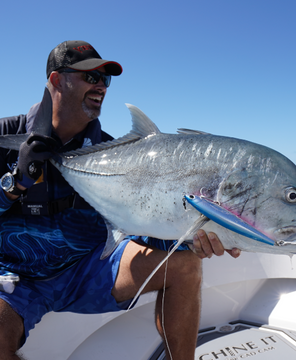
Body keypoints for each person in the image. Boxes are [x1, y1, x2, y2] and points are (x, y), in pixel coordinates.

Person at [0, 40, 239, 360]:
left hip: (90, 268)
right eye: (90, 77)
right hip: (17, 278)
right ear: (57, 80)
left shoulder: (118, 153)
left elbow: (141, 216)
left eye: (105, 79)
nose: (101, 86)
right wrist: (15, 183)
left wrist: (196, 236)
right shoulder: (6, 135)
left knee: (185, 267)